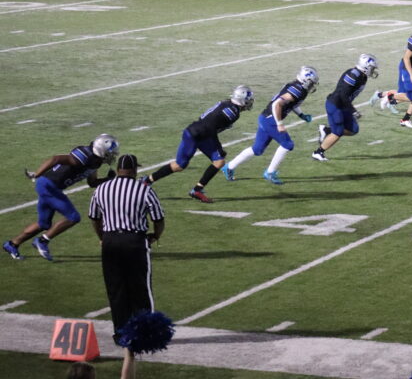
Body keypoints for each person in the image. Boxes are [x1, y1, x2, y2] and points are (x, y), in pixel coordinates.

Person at [88, 154, 164, 379]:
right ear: (134, 170)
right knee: (141, 289)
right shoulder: (144, 189)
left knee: (116, 290)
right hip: (134, 241)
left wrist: (102, 237)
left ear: (119, 169)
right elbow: (158, 218)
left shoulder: (102, 189)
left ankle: (121, 334)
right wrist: (155, 236)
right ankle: (145, 333)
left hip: (110, 242)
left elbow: (94, 217)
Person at [4, 134, 119, 261]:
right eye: (110, 152)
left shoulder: (96, 162)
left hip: (51, 187)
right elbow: (56, 159)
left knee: (43, 224)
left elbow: (92, 182)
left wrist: (108, 179)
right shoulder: (84, 156)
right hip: (48, 185)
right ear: (101, 149)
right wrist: (37, 174)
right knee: (73, 217)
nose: (112, 155)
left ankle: (12, 244)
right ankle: (42, 241)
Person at [142, 85, 254, 203]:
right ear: (242, 99)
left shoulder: (226, 103)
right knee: (216, 161)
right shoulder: (233, 112)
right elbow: (210, 126)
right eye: (248, 99)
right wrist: (218, 146)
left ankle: (147, 181)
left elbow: (205, 120)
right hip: (202, 134)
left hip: (192, 131)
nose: (250, 101)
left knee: (179, 165)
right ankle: (196, 190)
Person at [223, 68, 318, 185]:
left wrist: (301, 115)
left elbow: (291, 104)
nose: (313, 85)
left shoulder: (298, 88)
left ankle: (229, 167)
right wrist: (279, 124)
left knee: (257, 149)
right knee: (287, 144)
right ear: (305, 80)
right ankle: (270, 172)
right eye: (311, 82)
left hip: (265, 118)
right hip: (270, 120)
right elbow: (276, 104)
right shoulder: (298, 90)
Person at [312, 54, 378, 162]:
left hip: (343, 105)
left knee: (353, 129)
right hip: (336, 105)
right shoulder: (353, 75)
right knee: (337, 133)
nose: (373, 70)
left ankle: (327, 130)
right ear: (366, 67)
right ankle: (318, 152)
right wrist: (353, 111)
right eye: (372, 68)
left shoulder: (363, 76)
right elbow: (343, 95)